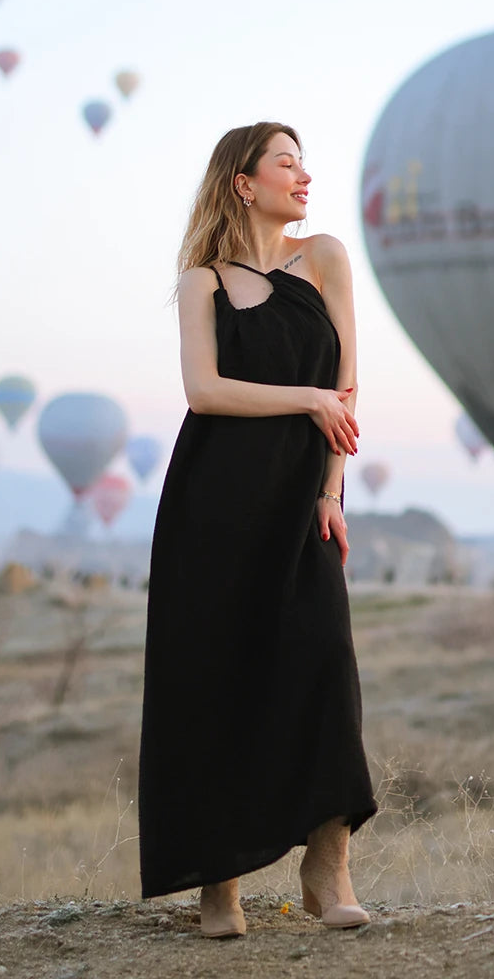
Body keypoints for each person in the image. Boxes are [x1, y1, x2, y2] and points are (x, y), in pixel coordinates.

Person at [137, 121, 377, 938]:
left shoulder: (327, 257)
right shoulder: (202, 281)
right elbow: (204, 391)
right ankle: (219, 885)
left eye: (304, 163)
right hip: (212, 505)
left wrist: (333, 490)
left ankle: (328, 863)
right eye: (286, 163)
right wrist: (306, 402)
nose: (303, 176)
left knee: (323, 664)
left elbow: (345, 384)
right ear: (244, 181)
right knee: (213, 680)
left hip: (301, 500)